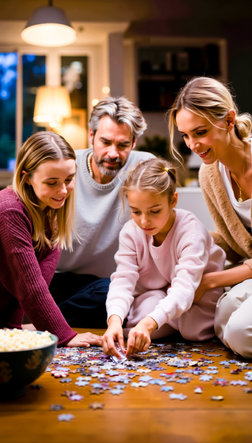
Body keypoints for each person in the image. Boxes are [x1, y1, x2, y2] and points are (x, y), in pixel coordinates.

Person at [102, 158, 226, 358]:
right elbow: (123, 279)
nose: (143, 221)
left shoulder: (190, 230)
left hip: (200, 294)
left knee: (192, 330)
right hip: (158, 293)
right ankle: (163, 319)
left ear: (173, 200)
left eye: (155, 211)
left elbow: (185, 287)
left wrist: (149, 323)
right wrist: (114, 320)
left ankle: (168, 320)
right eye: (135, 211)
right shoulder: (131, 232)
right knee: (138, 320)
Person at [49, 96, 154, 328]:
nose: (113, 153)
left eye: (123, 145)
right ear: (91, 136)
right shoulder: (66, 167)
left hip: (105, 286)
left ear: (134, 143)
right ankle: (49, 316)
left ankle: (42, 323)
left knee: (112, 297)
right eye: (105, 142)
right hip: (54, 278)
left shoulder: (144, 170)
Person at [168, 76, 252, 358]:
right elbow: (230, 240)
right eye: (185, 135)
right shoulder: (210, 173)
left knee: (239, 333)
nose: (192, 144)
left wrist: (210, 281)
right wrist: (180, 238)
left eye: (199, 132)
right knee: (222, 318)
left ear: (229, 120)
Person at [0, 131, 101, 347]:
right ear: (27, 177)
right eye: (52, 182)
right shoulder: (8, 210)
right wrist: (67, 336)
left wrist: (12, 330)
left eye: (69, 179)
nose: (63, 190)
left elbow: (39, 282)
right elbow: (29, 287)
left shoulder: (52, 216)